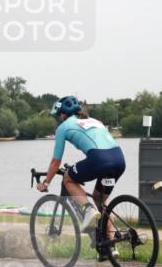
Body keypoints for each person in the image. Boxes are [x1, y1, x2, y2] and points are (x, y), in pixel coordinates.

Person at [36, 96, 125, 258]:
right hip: (119, 159)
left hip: (99, 159)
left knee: (68, 179)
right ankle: (110, 246)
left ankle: (88, 209)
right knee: (101, 201)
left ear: (63, 114)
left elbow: (56, 162)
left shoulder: (63, 127)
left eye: (58, 116)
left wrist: (46, 182)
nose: (58, 119)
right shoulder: (94, 121)